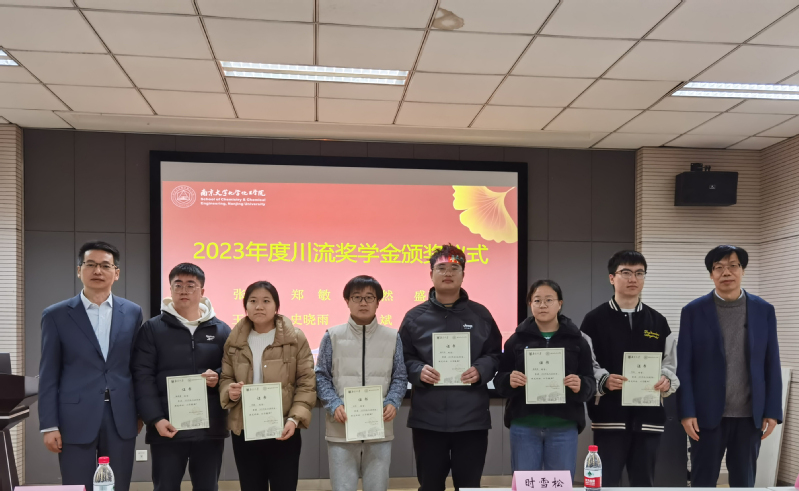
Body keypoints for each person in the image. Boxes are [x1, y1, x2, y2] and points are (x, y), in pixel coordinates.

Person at [39, 241, 143, 491]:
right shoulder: (56, 315)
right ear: (79, 270)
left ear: (116, 273)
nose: (98, 271)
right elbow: (48, 374)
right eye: (91, 264)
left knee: (118, 485)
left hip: (121, 415)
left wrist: (140, 413)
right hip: (74, 417)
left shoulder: (132, 312)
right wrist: (49, 425)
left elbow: (137, 367)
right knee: (78, 485)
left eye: (105, 266)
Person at [398, 244, 502, 491]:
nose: (448, 273)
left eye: (454, 268)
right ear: (431, 274)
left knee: (468, 486)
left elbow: (495, 354)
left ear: (463, 274)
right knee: (430, 486)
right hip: (428, 420)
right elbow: (403, 358)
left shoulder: (481, 315)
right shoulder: (414, 317)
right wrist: (418, 371)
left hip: (471, 419)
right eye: (441, 268)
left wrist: (481, 370)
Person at [677, 245, 782, 487]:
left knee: (744, 482)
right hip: (706, 415)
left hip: (749, 416)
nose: (726, 272)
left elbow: (771, 362)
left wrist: (772, 410)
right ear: (711, 274)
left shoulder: (764, 310)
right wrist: (686, 411)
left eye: (733, 266)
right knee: (703, 480)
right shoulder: (693, 311)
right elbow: (685, 366)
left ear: (742, 270)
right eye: (719, 267)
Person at [579, 250, 678, 487]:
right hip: (609, 418)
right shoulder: (594, 320)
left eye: (639, 273)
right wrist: (603, 381)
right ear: (612, 278)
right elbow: (585, 364)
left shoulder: (658, 321)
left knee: (643, 483)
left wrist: (666, 380)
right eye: (626, 272)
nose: (633, 279)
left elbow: (670, 364)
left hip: (648, 419)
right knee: (607, 482)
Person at [131, 263, 231, 491]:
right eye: (178, 285)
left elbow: (233, 370)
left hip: (209, 429)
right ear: (170, 289)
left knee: (208, 487)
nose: (184, 290)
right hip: (167, 428)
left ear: (202, 291)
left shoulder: (221, 330)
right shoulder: (152, 329)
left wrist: (217, 376)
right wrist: (155, 419)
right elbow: (142, 376)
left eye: (190, 285)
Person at [219, 281, 316, 491]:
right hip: (245, 429)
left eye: (266, 301)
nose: (259, 306)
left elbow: (307, 382)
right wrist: (230, 391)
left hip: (283, 428)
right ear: (245, 306)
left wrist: (294, 419)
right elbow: (225, 378)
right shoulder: (234, 340)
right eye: (253, 301)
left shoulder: (295, 338)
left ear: (276, 306)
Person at [495, 280, 596, 480]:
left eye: (549, 300)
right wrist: (509, 380)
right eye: (537, 300)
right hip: (524, 424)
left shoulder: (577, 340)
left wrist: (581, 384)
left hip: (564, 426)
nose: (543, 305)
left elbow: (590, 382)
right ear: (530, 304)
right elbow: (500, 380)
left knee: (559, 485)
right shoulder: (516, 340)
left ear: (560, 303)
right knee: (526, 485)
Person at [316, 275, 408, 491]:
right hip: (341, 428)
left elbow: (400, 376)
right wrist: (334, 404)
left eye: (369, 297)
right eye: (357, 297)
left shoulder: (392, 337)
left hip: (379, 428)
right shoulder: (332, 336)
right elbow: (321, 376)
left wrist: (393, 401)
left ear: (378, 302)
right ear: (347, 301)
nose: (363, 302)